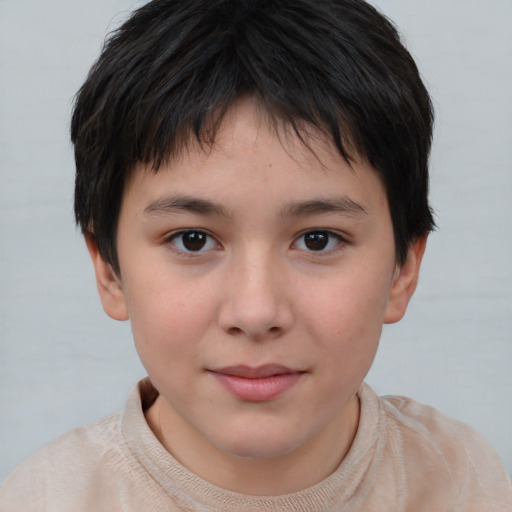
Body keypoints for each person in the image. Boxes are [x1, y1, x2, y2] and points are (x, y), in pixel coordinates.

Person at [1, 0, 510, 509]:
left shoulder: (464, 481)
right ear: (109, 269)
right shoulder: (45, 498)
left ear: (404, 269)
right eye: (193, 239)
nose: (256, 311)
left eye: (318, 239)